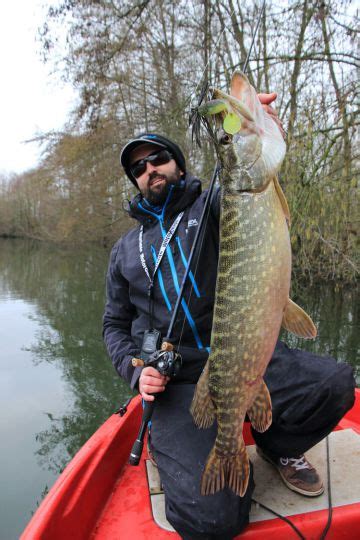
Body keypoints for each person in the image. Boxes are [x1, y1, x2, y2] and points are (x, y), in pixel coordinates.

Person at [103, 94, 355, 539]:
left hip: (244, 354)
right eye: (138, 169)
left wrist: (251, 129)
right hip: (179, 382)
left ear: (177, 164)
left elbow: (255, 179)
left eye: (157, 158)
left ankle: (278, 446)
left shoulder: (218, 205)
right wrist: (134, 371)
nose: (149, 170)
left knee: (335, 384)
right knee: (214, 520)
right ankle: (187, 450)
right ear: (135, 182)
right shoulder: (123, 251)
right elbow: (114, 327)